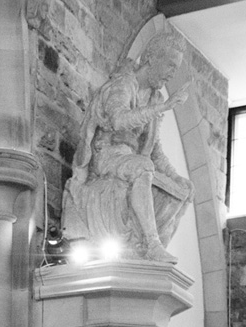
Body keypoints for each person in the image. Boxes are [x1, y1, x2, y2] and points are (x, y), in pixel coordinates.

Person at [61, 30, 193, 262]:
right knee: (142, 167)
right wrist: (163, 109)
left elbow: (155, 150)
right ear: (152, 58)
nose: (172, 74)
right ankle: (152, 243)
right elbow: (118, 120)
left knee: (183, 191)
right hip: (106, 155)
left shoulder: (154, 98)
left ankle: (148, 254)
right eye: (170, 65)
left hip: (129, 158)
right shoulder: (123, 84)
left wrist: (176, 177)